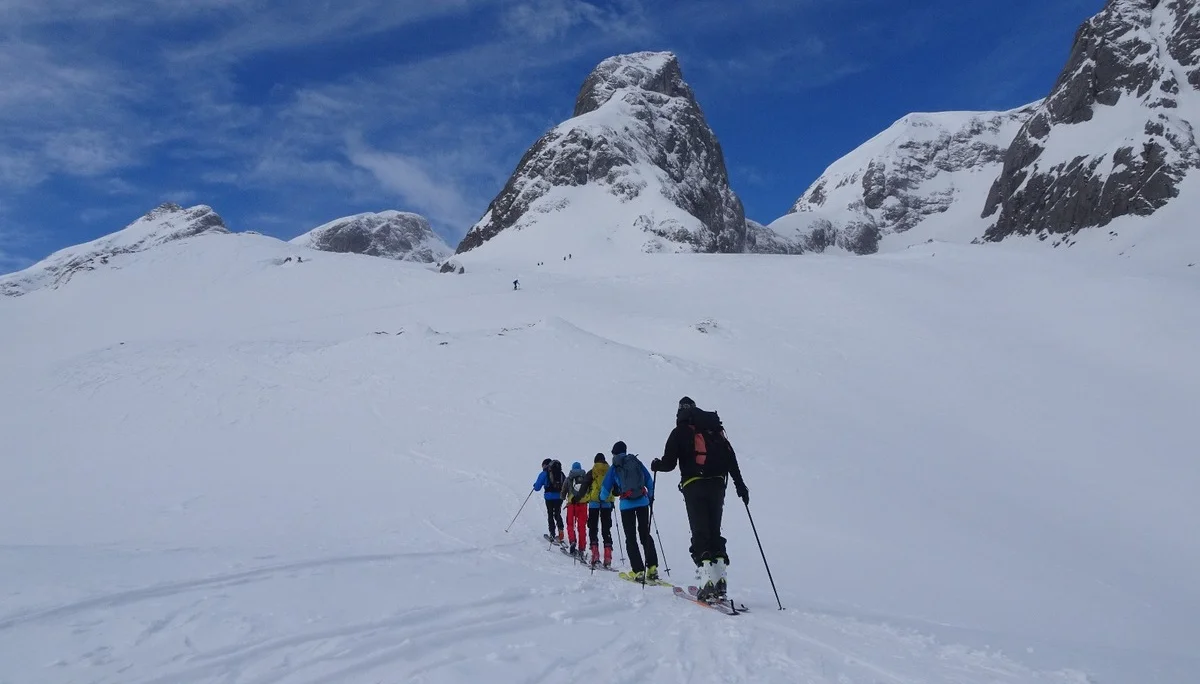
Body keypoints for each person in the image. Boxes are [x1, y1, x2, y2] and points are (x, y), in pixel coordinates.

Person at [652, 396, 748, 601]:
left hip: (693, 485)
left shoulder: (679, 432)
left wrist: (656, 465)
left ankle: (706, 582)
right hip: (717, 485)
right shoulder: (714, 430)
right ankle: (720, 580)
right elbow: (731, 459)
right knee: (714, 530)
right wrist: (741, 487)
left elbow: (669, 464)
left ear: (679, 413)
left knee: (699, 531)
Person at [601, 441, 658, 583]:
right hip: (643, 502)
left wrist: (604, 498)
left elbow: (605, 488)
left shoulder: (615, 466)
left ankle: (638, 571)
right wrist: (650, 496)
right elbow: (649, 480)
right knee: (645, 533)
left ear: (614, 452)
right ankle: (652, 568)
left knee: (630, 537)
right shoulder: (635, 461)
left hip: (626, 505)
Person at [573, 453, 616, 568]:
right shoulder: (610, 471)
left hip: (594, 503)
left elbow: (584, 487)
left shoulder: (592, 472)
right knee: (606, 529)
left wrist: (577, 498)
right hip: (607, 502)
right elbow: (616, 487)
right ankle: (608, 558)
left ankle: (595, 556)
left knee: (593, 528)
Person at [561, 461, 589, 558]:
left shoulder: (569, 478)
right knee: (582, 527)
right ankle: (582, 548)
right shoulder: (585, 478)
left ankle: (572, 541)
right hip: (583, 505)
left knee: (570, 524)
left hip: (571, 504)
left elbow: (563, 492)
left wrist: (563, 497)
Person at [533, 458, 565, 542]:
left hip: (549, 497)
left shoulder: (544, 473)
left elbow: (537, 488)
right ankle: (561, 531)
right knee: (557, 513)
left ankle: (552, 534)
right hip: (559, 496)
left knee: (550, 514)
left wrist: (535, 485)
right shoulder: (560, 473)